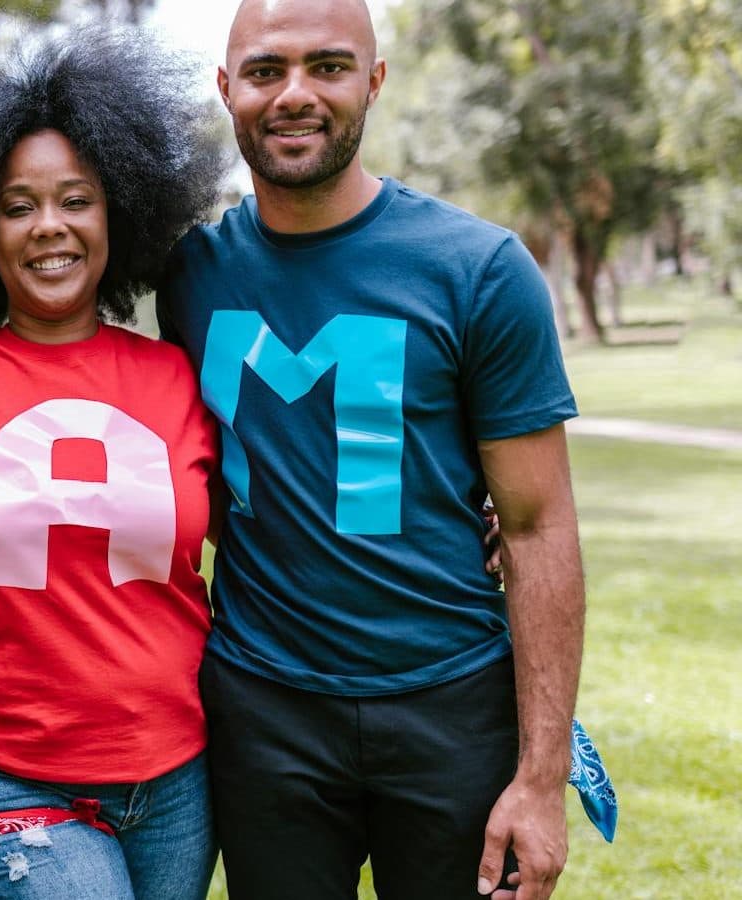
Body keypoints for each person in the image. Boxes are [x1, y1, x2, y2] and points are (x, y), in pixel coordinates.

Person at [156, 2, 586, 899]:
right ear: (227, 88)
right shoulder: (190, 273)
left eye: (330, 66)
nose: (296, 94)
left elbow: (539, 527)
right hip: (263, 707)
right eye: (267, 70)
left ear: (375, 81)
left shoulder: (479, 270)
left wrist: (541, 782)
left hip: (452, 704)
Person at [0, 30, 228, 900]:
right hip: (1, 766)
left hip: (177, 771)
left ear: (121, 214)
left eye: (77, 199)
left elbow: (281, 513)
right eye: (17, 205)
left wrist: (470, 522)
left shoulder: (181, 378)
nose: (50, 227)